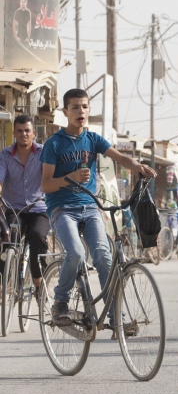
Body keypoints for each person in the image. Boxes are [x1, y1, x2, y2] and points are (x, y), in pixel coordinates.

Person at [41, 88, 157, 327]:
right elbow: (46, 185)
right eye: (74, 107)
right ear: (65, 112)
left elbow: (120, 157)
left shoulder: (93, 140)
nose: (80, 111)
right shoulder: (53, 144)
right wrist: (70, 177)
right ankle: (60, 302)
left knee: (104, 257)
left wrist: (138, 166)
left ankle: (117, 318)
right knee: (76, 253)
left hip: (90, 208)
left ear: (89, 110)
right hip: (62, 209)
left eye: (84, 106)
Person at [0, 115, 49, 288]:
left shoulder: (44, 153)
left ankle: (38, 282)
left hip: (39, 208)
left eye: (27, 130)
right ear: (14, 133)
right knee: (7, 240)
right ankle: (3, 281)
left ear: (34, 133)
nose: (24, 134)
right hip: (14, 209)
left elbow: (50, 177)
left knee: (37, 236)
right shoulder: (5, 155)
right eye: (19, 131)